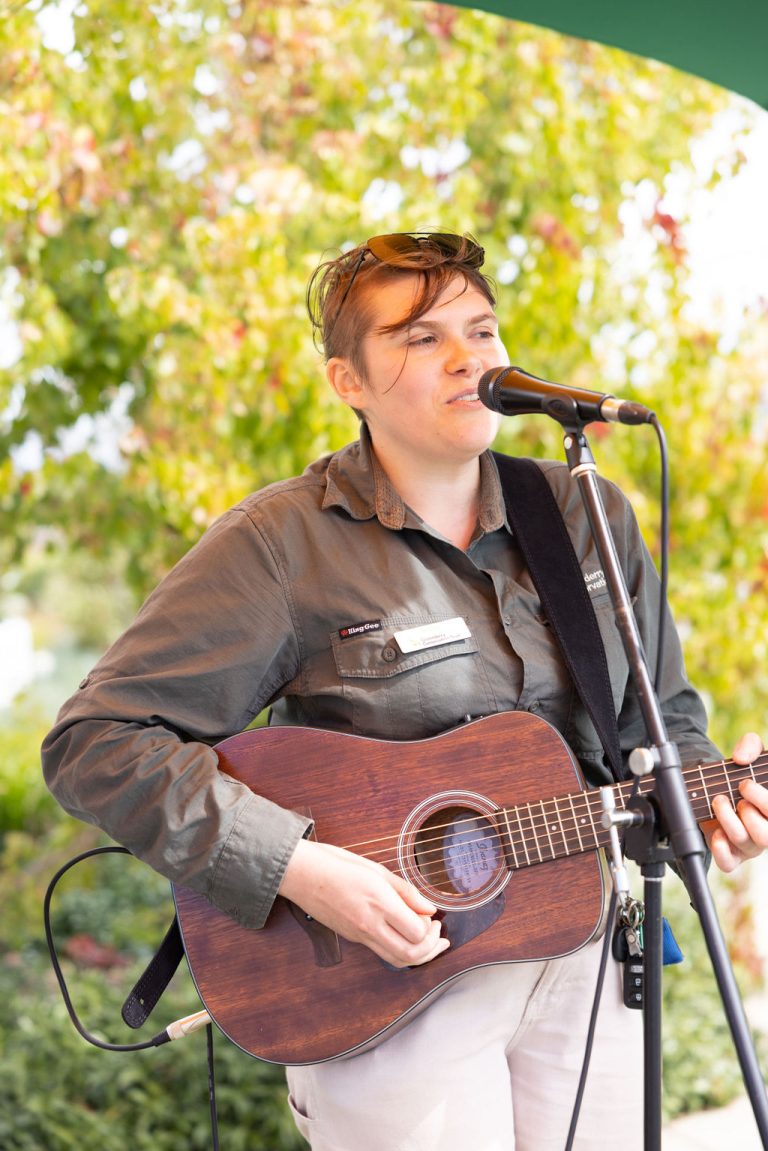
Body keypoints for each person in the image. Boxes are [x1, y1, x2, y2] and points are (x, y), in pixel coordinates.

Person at [42, 232, 768, 1151]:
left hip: (586, 964)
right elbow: (96, 740)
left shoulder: (586, 512)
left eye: (482, 329)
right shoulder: (280, 545)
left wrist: (714, 800)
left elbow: (662, 724)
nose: (469, 357)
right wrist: (299, 867)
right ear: (347, 380)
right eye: (422, 337)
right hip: (386, 991)